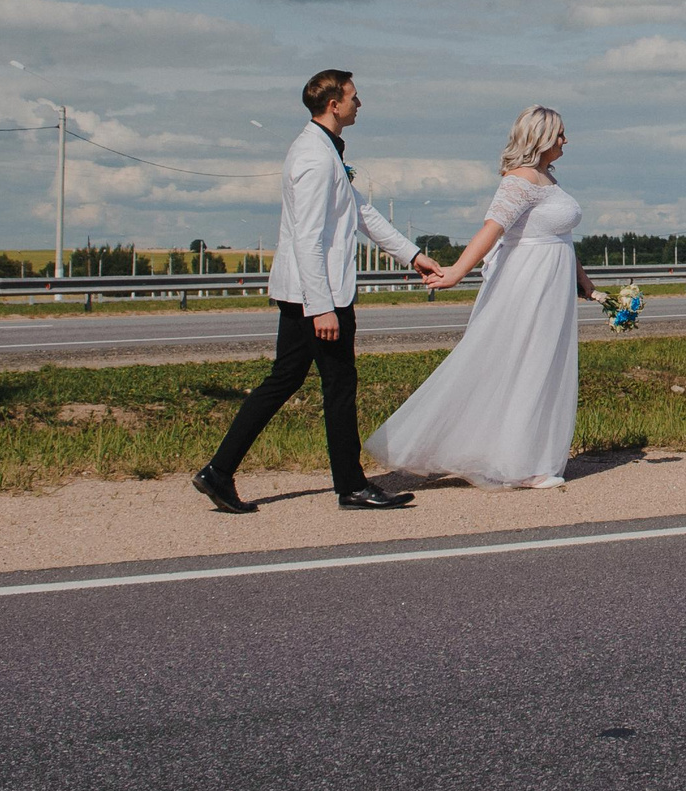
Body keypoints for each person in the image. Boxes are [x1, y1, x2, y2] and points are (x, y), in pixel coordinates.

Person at [192, 69, 443, 514]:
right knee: (339, 385)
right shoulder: (312, 156)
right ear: (333, 104)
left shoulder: (324, 151)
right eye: (353, 96)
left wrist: (412, 255)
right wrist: (321, 307)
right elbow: (307, 238)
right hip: (319, 295)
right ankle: (350, 485)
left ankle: (219, 471)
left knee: (285, 380)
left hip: (311, 293)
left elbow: (362, 213)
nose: (359, 103)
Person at [365, 105, 594, 489]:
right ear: (539, 138)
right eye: (559, 134)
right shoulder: (519, 181)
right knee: (524, 362)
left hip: (554, 284)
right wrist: (457, 271)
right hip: (528, 285)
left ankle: (526, 455)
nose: (565, 141)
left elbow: (562, 238)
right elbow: (492, 229)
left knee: (545, 364)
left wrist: (583, 281)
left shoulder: (548, 180)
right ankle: (519, 465)